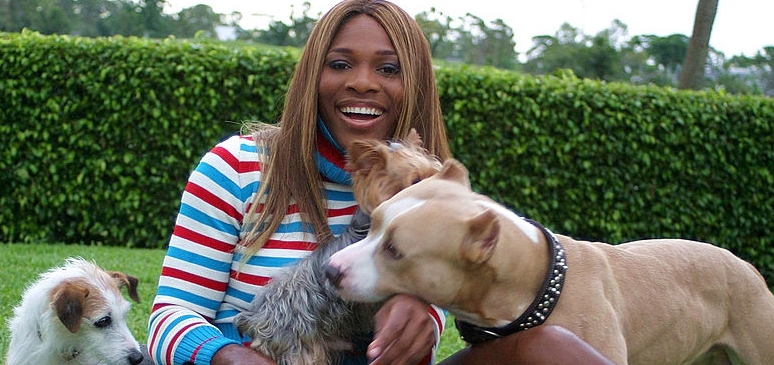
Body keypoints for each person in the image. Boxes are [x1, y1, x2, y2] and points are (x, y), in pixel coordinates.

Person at [146, 1, 615, 365]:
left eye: (388, 69)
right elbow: (168, 319)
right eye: (340, 64)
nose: (364, 83)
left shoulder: (430, 191)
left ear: (415, 85)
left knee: (550, 347)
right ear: (313, 76)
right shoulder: (238, 167)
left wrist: (426, 313)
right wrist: (233, 357)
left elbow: (476, 295)